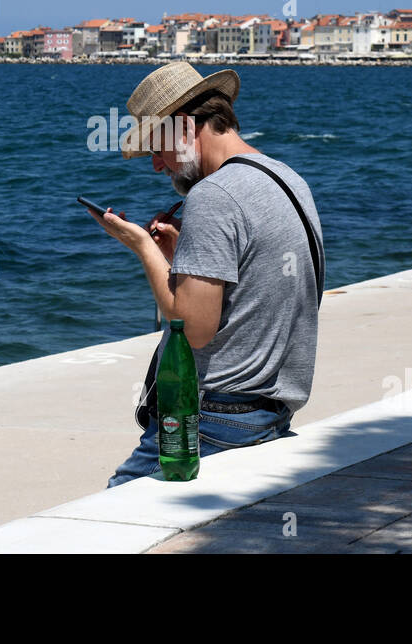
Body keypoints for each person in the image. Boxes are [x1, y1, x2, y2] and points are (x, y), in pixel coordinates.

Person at [88, 62, 324, 487]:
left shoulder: (214, 195)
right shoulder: (288, 178)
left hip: (214, 420)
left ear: (183, 127)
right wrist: (179, 255)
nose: (157, 165)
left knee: (108, 519)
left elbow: (192, 328)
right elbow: (256, 285)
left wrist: (143, 247)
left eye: (157, 147)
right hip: (268, 412)